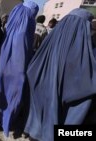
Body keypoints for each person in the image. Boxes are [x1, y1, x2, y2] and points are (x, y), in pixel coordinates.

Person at [24, 8, 95, 141]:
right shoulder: (83, 52)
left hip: (38, 124)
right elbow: (85, 88)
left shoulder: (51, 40)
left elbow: (32, 69)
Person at [0, 1, 39, 137]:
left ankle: (3, 120)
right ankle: (8, 124)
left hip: (4, 64)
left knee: (4, 93)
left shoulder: (13, 21)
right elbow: (22, 51)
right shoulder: (25, 25)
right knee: (14, 95)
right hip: (17, 67)